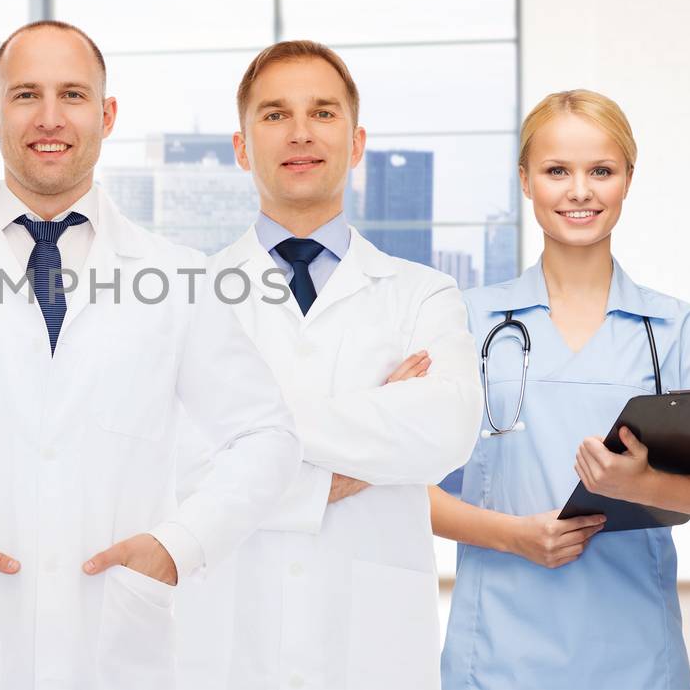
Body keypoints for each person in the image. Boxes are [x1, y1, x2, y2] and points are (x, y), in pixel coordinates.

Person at [0, 20, 301, 689]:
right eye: (25, 95)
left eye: (72, 94)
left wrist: (178, 545)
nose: (49, 118)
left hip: (117, 637)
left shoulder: (178, 277)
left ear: (107, 114)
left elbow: (266, 436)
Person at [432, 89, 690, 689]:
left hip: (635, 656)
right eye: (557, 171)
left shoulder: (675, 331)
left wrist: (644, 484)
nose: (580, 191)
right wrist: (515, 536)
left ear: (627, 180)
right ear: (525, 179)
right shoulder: (467, 324)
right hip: (497, 657)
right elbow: (399, 490)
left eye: (601, 171)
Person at [175, 40, 481, 690]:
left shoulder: (422, 292)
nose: (301, 132)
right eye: (275, 113)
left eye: (323, 112)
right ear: (240, 145)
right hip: (227, 637)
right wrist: (377, 444)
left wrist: (249, 441)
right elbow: (175, 464)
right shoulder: (184, 296)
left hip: (373, 645)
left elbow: (448, 429)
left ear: (357, 139)